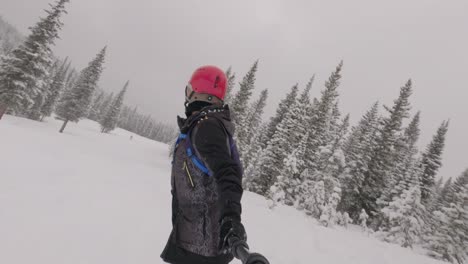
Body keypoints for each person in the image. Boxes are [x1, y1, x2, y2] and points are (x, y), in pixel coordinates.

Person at [161, 65, 247, 264]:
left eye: (189, 90)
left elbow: (228, 174)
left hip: (201, 251)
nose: (187, 95)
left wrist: (231, 218)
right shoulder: (204, 124)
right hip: (196, 241)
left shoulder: (207, 127)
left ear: (200, 92)